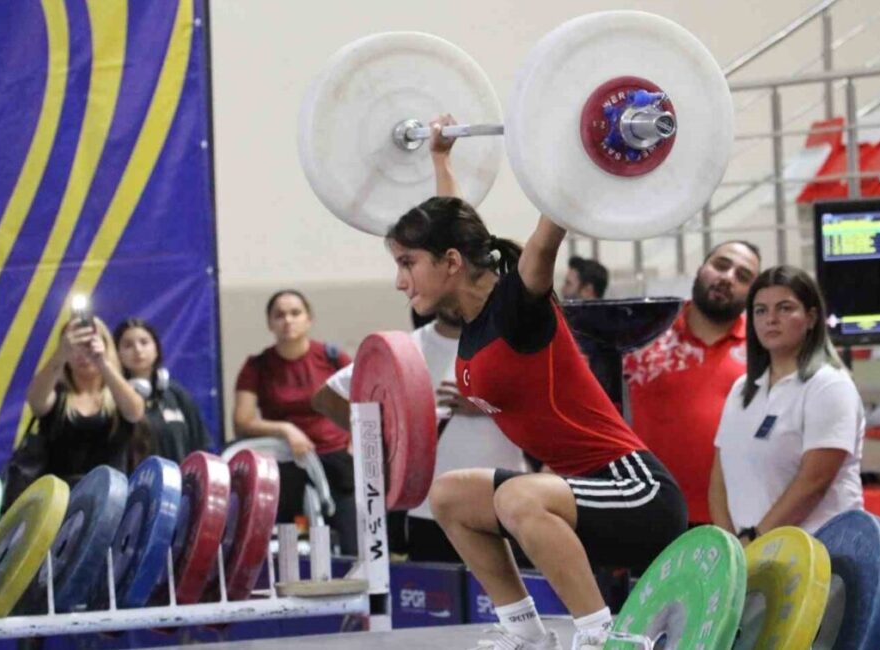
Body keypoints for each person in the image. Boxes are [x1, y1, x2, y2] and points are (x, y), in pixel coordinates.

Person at [385, 115, 686, 650]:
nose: (400, 279)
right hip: (574, 497)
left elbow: (547, 239)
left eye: (408, 263)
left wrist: (590, 147)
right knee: (450, 495)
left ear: (450, 264)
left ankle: (603, 638)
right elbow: (452, 227)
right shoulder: (472, 318)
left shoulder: (519, 306)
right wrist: (440, 159)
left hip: (635, 492)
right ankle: (526, 632)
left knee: (520, 497)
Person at [313, 309, 530, 563]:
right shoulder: (407, 350)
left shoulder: (513, 345)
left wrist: (486, 407)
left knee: (512, 597)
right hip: (429, 510)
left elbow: (546, 410)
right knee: (439, 596)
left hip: (504, 503)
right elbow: (326, 398)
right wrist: (388, 435)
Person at [709, 265, 864, 543]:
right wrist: (730, 548)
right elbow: (719, 479)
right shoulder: (742, 389)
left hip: (820, 556)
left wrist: (755, 539)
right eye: (760, 310)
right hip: (752, 555)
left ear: (811, 317)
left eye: (784, 308)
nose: (771, 319)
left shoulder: (829, 385)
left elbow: (813, 483)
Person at [622, 241, 760, 526]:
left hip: (733, 521)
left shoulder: (763, 350)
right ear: (701, 269)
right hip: (648, 514)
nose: (728, 277)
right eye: (721, 265)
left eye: (743, 277)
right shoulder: (646, 335)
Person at [233, 290, 357, 554]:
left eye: (295, 313)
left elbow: (365, 403)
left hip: (336, 462)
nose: (287, 320)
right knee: (288, 550)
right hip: (285, 466)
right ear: (269, 323)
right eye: (279, 315)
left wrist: (356, 442)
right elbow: (242, 422)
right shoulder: (256, 366)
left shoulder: (333, 357)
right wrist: (286, 429)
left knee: (351, 546)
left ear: (309, 319)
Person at [7, 316, 145, 505]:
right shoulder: (57, 396)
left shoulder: (119, 394)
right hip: (56, 505)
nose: (83, 353)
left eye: (89, 343)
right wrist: (61, 354)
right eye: (76, 345)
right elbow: (36, 400)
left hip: (108, 503)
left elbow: (134, 412)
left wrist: (103, 362)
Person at [113, 318, 212, 463]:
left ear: (156, 349)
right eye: (128, 345)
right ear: (117, 354)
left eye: (144, 342)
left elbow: (200, 445)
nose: (138, 350)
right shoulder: (115, 398)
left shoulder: (176, 393)